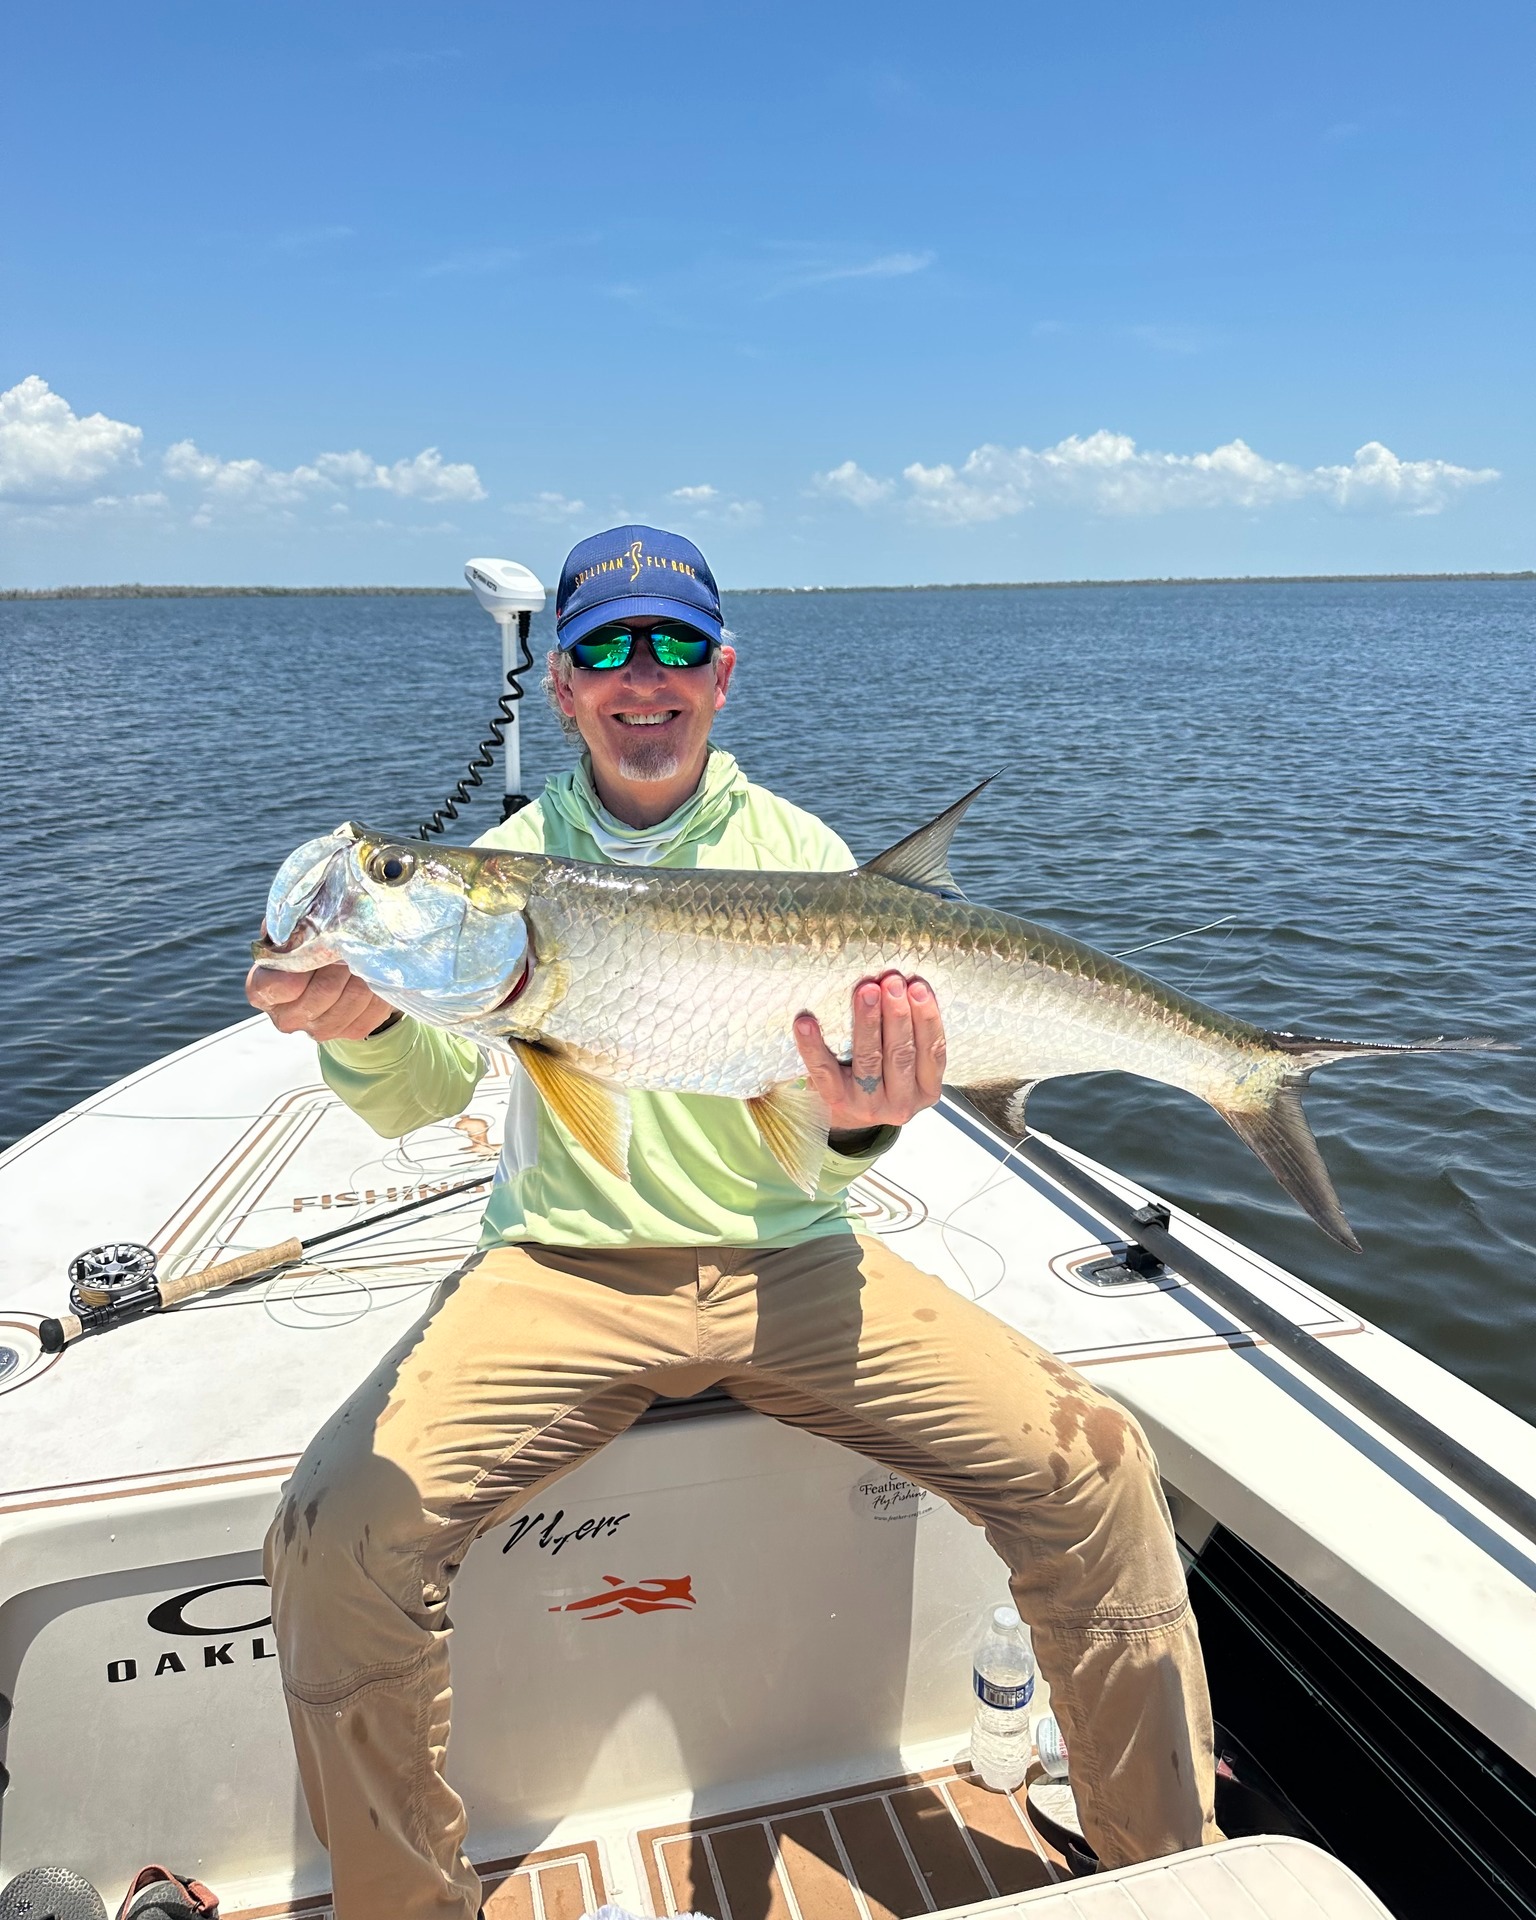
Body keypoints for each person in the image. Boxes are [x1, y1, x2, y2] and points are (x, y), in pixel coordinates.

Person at [247, 525, 1219, 1920]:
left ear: (723, 674)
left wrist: (873, 1111)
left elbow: (824, 1153)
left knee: (1100, 1468)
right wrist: (358, 1023)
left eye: (675, 647)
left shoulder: (801, 856)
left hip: (793, 1263)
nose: (644, 679)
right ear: (567, 688)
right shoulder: (511, 867)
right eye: (604, 651)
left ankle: (1166, 1878)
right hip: (561, 1268)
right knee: (336, 1530)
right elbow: (420, 1090)